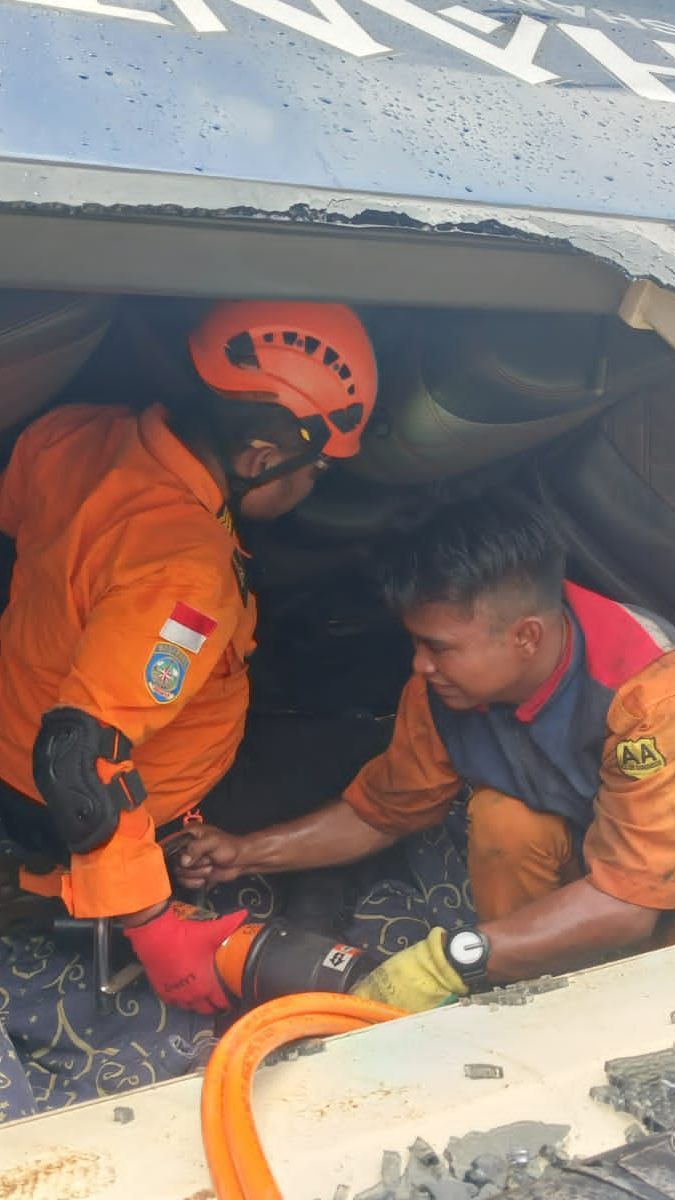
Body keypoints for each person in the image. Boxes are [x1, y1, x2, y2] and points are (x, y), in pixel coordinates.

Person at [0, 299, 378, 1014]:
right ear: (260, 456)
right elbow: (80, 754)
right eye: (317, 470)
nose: (311, 486)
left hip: (9, 733)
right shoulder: (185, 572)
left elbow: (17, 529)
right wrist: (151, 925)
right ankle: (304, 919)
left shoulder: (69, 433)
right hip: (121, 799)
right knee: (371, 743)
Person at [175, 489, 675, 1011]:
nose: (420, 665)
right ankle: (532, 995)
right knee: (505, 819)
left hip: (651, 889)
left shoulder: (651, 694)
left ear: (526, 637)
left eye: (439, 646)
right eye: (416, 643)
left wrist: (454, 959)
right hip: (602, 857)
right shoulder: (442, 687)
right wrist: (244, 852)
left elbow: (630, 900)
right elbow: (383, 813)